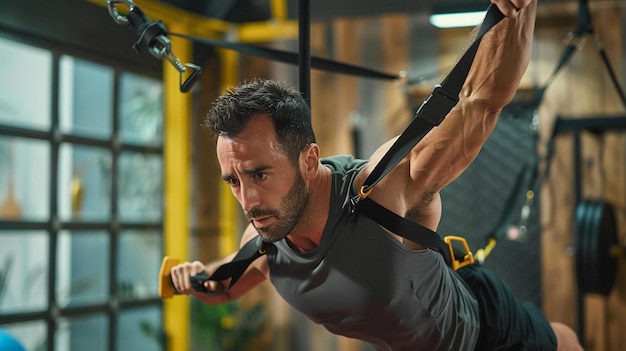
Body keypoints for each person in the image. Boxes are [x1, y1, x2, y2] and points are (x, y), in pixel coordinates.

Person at [171, 0, 584, 350]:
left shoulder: (383, 190)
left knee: (563, 341)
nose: (247, 201)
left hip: (483, 335)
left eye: (260, 174)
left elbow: (481, 103)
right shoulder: (266, 239)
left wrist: (518, 9)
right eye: (233, 180)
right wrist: (193, 276)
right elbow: (224, 284)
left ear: (309, 161)